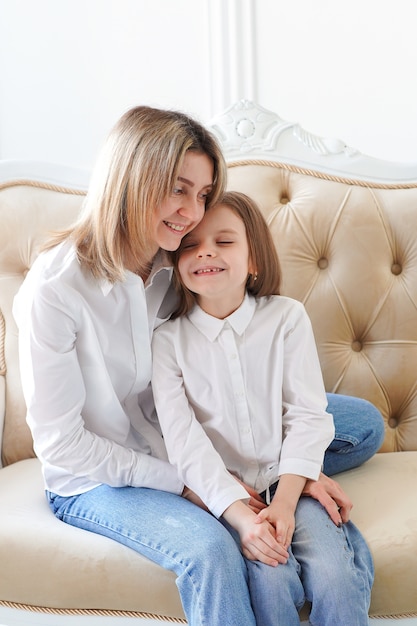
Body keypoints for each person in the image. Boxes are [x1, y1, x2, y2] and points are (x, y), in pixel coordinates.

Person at [13, 104, 379, 626]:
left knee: (361, 423)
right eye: (179, 188)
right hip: (99, 475)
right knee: (210, 550)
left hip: (185, 431)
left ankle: (289, 484)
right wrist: (193, 487)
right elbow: (61, 445)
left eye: (203, 194)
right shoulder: (55, 290)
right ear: (134, 177)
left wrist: (298, 475)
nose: (191, 211)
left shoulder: (178, 260)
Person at [151, 191, 374, 625]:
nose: (206, 251)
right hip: (233, 494)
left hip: (284, 481)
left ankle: (315, 496)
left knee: (335, 577)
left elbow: (307, 415)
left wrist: (289, 498)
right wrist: (241, 515)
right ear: (177, 264)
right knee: (270, 582)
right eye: (191, 244)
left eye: (225, 241)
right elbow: (185, 443)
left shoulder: (286, 318)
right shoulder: (167, 342)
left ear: (254, 258)